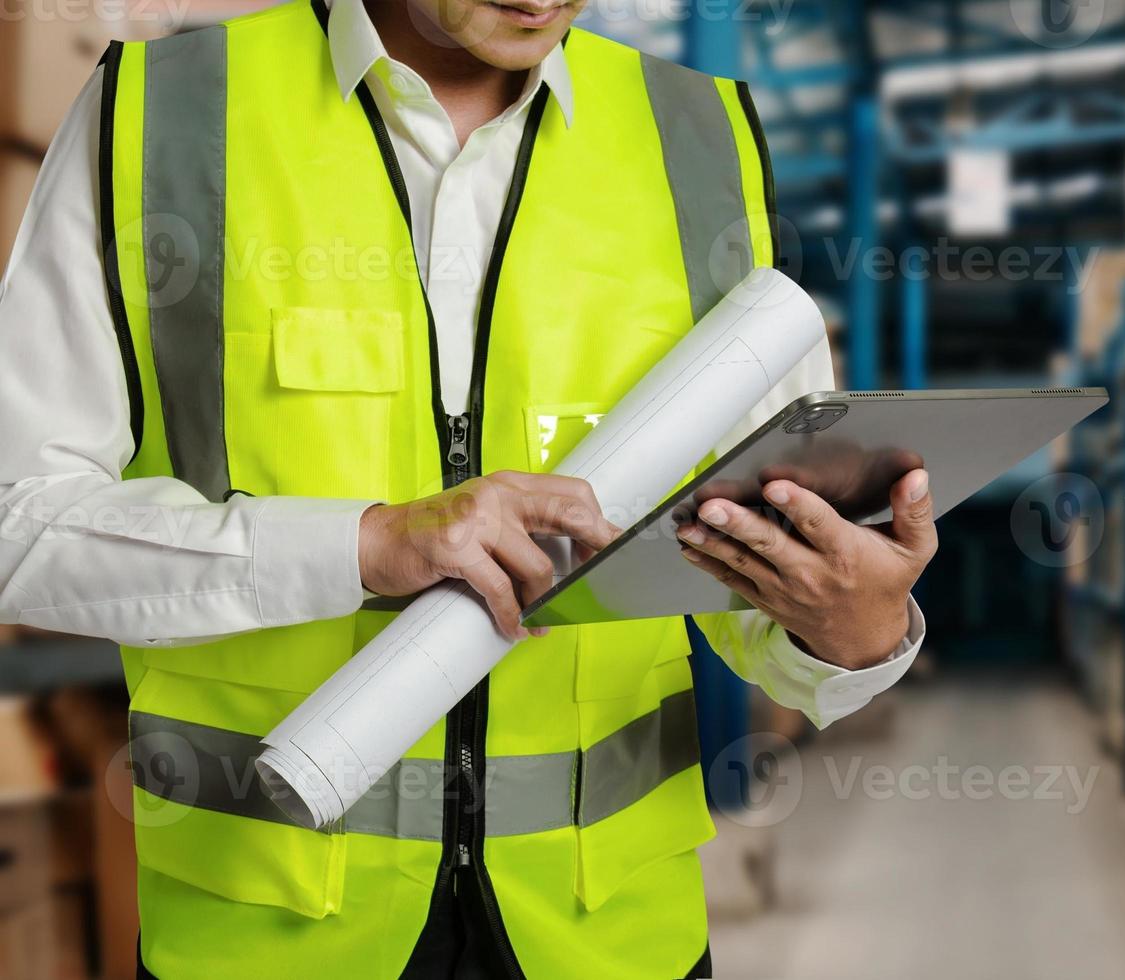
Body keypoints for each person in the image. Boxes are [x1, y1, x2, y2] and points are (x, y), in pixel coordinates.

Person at [0, 0, 935, 974]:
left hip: (610, 941)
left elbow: (754, 576)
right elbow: (14, 518)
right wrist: (364, 545)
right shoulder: (165, 117)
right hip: (267, 936)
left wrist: (852, 629)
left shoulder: (697, 144)